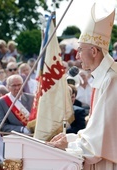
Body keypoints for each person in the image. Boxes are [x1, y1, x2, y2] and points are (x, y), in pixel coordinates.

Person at [48, 3, 117, 169]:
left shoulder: (111, 79)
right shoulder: (103, 76)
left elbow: (102, 139)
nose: (77, 56)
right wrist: (70, 138)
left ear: (93, 51)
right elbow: (96, 132)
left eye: (80, 50)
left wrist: (68, 145)